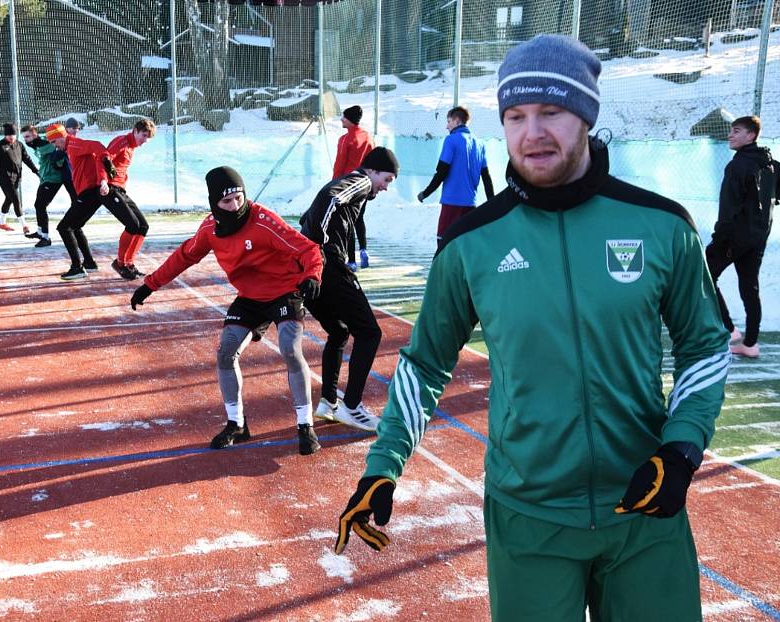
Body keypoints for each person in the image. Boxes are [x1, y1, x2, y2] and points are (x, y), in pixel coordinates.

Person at [335, 35, 731, 622]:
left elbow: (704, 343)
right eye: (515, 116)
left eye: (552, 112)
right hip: (529, 516)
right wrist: (384, 462)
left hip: (647, 508)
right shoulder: (472, 243)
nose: (532, 132)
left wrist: (682, 449)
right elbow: (424, 363)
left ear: (587, 117)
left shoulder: (661, 225)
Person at [129, 166, 325, 455]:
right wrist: (149, 285)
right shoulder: (210, 229)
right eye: (226, 202)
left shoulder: (263, 221)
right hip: (249, 296)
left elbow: (308, 249)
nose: (235, 206)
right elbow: (184, 256)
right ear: (214, 204)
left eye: (239, 198)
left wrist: (312, 276)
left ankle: (305, 425)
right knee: (225, 352)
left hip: (284, 289)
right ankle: (236, 424)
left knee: (289, 349)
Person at [300, 146, 399, 432]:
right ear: (373, 170)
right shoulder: (361, 180)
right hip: (326, 266)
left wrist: (351, 253)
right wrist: (321, 248)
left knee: (340, 331)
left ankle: (328, 401)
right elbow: (329, 199)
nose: (385, 187)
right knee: (370, 333)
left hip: (313, 268)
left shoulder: (359, 189)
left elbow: (310, 215)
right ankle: (353, 407)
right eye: (387, 180)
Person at [706, 115, 778, 359]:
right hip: (757, 238)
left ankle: (730, 331)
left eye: (736, 131)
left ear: (751, 135)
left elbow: (728, 209)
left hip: (735, 238)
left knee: (704, 274)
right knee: (750, 287)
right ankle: (750, 344)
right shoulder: (769, 163)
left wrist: (718, 241)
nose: (730, 135)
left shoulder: (737, 166)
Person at [416, 106, 494, 242]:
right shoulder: (480, 144)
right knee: (465, 242)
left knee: (444, 242)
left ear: (457, 121)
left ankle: (443, 264)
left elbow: (441, 172)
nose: (447, 126)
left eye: (448, 122)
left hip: (452, 202)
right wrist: (492, 202)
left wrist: (426, 193)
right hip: (471, 204)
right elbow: (486, 177)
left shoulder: (451, 140)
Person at [45, 123, 111, 281]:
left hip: (90, 193)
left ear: (60, 137)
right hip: (88, 193)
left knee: (64, 227)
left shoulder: (74, 144)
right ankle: (89, 263)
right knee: (75, 226)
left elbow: (98, 146)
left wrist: (105, 166)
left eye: (54, 142)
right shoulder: (69, 147)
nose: (54, 146)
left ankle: (77, 267)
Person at [105, 119, 157, 280]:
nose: (145, 140)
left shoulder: (132, 147)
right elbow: (104, 158)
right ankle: (120, 263)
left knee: (143, 226)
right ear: (135, 130)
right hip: (109, 189)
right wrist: (103, 180)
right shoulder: (122, 141)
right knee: (132, 225)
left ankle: (129, 263)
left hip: (120, 189)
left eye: (148, 138)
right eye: (143, 135)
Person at [333, 105, 375, 270]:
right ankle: (364, 250)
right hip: (365, 183)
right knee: (360, 218)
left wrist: (334, 185)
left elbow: (339, 164)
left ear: (349, 120)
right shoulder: (368, 137)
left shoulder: (345, 139)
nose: (341, 120)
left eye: (343, 117)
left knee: (348, 221)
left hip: (348, 186)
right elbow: (373, 161)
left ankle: (351, 260)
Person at [21, 124, 73, 247]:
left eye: (27, 136)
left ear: (35, 135)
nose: (26, 140)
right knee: (38, 205)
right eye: (24, 137)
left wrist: (57, 164)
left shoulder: (47, 144)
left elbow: (59, 152)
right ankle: (40, 232)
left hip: (53, 179)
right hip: (45, 178)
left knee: (40, 205)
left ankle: (45, 237)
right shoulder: (38, 145)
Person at [0, 122, 39, 234]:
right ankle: (24, 225)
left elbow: (27, 159)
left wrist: (36, 171)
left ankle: (1, 223)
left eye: (13, 135)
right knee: (16, 200)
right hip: (5, 178)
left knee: (9, 199)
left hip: (17, 178)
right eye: (9, 136)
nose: (11, 138)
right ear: (5, 135)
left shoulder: (19, 145)